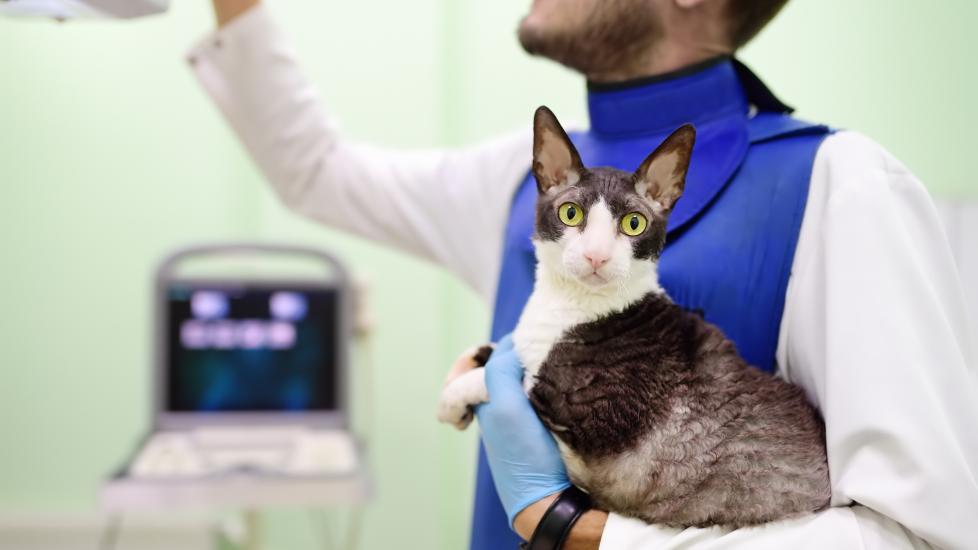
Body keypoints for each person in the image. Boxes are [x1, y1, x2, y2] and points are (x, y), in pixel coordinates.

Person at [187, 1, 978, 548]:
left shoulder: (841, 183)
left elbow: (909, 536)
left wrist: (577, 530)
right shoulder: (520, 177)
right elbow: (314, 171)